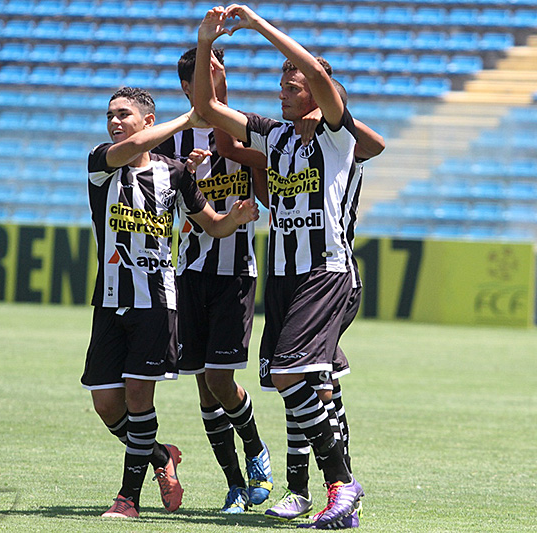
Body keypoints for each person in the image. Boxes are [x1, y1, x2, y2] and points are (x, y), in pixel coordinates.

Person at [194, 5, 368, 528]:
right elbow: (205, 106)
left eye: (291, 86)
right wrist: (206, 42)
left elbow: (315, 73)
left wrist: (260, 27)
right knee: (304, 385)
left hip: (327, 270)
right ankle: (305, 492)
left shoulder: (339, 135)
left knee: (292, 371)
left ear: (318, 93)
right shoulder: (275, 136)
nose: (282, 92)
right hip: (286, 276)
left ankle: (342, 484)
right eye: (281, 85)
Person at [82, 86, 259, 519]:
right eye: (110, 115)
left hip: (158, 304)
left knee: (140, 397)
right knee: (107, 404)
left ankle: (128, 499)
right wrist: (188, 119)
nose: (115, 122)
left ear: (146, 119)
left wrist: (232, 220)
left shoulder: (176, 174)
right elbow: (135, 148)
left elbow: (211, 225)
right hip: (110, 301)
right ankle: (162, 457)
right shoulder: (101, 162)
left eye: (124, 115)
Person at [152, 47, 273, 514]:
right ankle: (236, 485)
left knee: (221, 378)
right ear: (189, 86)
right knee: (203, 385)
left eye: (221, 71)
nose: (215, 80)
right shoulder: (171, 145)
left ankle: (256, 446)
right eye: (206, 73)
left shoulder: (246, 129)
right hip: (188, 274)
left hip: (235, 272)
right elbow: (160, 212)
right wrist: (189, 176)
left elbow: (268, 187)